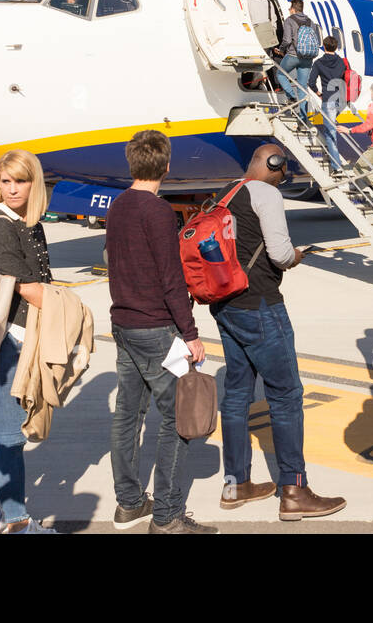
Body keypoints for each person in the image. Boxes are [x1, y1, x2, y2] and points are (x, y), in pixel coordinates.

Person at [210, 143, 346, 519]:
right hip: (261, 306)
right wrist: (298, 256)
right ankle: (294, 490)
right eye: (282, 172)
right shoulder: (267, 194)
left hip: (227, 304)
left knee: (236, 393)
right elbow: (280, 254)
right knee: (286, 395)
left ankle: (235, 484)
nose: (281, 178)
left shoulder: (226, 192)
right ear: (275, 166)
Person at [106, 131, 213, 534]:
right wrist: (190, 333)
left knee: (127, 415)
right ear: (167, 167)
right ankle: (167, 516)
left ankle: (130, 503)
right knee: (176, 418)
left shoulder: (117, 207)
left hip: (124, 323)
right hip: (155, 328)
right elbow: (171, 279)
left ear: (131, 164)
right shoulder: (158, 212)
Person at [0, 149, 57, 533]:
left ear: (33, 183)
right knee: (9, 434)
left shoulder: (29, 223)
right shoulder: (2, 226)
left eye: (19, 181)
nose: (11, 189)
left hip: (24, 336)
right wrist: (74, 313)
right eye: (4, 182)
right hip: (13, 340)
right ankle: (17, 522)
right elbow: (30, 287)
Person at [307, 34, 348, 170]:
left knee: (330, 133)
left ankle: (336, 166)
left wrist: (319, 93)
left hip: (328, 99)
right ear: (336, 47)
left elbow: (311, 82)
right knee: (329, 127)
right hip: (341, 99)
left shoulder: (318, 63)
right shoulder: (342, 62)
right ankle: (335, 160)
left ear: (324, 47)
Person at [276, 0, 319, 119]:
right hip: (308, 57)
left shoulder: (289, 20)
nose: (289, 11)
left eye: (290, 9)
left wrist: (281, 49)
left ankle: (290, 97)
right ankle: (304, 117)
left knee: (280, 74)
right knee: (302, 86)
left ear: (293, 9)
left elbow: (287, 40)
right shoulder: (311, 22)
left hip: (293, 55)